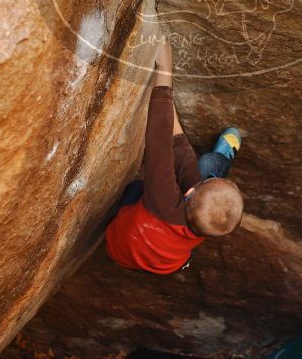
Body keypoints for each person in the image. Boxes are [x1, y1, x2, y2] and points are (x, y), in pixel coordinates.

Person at [104, 40, 244, 274]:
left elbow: (158, 141)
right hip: (161, 259)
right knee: (208, 166)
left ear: (189, 194)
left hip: (118, 242)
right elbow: (178, 147)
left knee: (139, 187)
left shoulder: (163, 200)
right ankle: (221, 161)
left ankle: (219, 166)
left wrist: (165, 73)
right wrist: (169, 108)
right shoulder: (202, 217)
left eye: (206, 182)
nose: (199, 182)